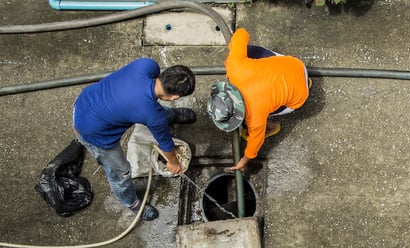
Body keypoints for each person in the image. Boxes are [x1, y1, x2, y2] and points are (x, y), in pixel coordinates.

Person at [73, 57, 196, 221]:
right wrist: (173, 163)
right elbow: (166, 143)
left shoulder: (147, 65)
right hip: (92, 132)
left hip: (86, 101)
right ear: (174, 97)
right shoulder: (152, 115)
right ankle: (131, 203)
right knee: (120, 172)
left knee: (153, 112)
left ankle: (171, 115)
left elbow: (149, 105)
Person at [207, 28, 310, 171]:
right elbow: (242, 33)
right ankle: (305, 82)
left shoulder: (253, 116)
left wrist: (244, 161)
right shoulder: (235, 67)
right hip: (296, 66)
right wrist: (232, 54)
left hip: (299, 97)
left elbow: (256, 141)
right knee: (249, 51)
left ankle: (272, 127)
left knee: (265, 115)